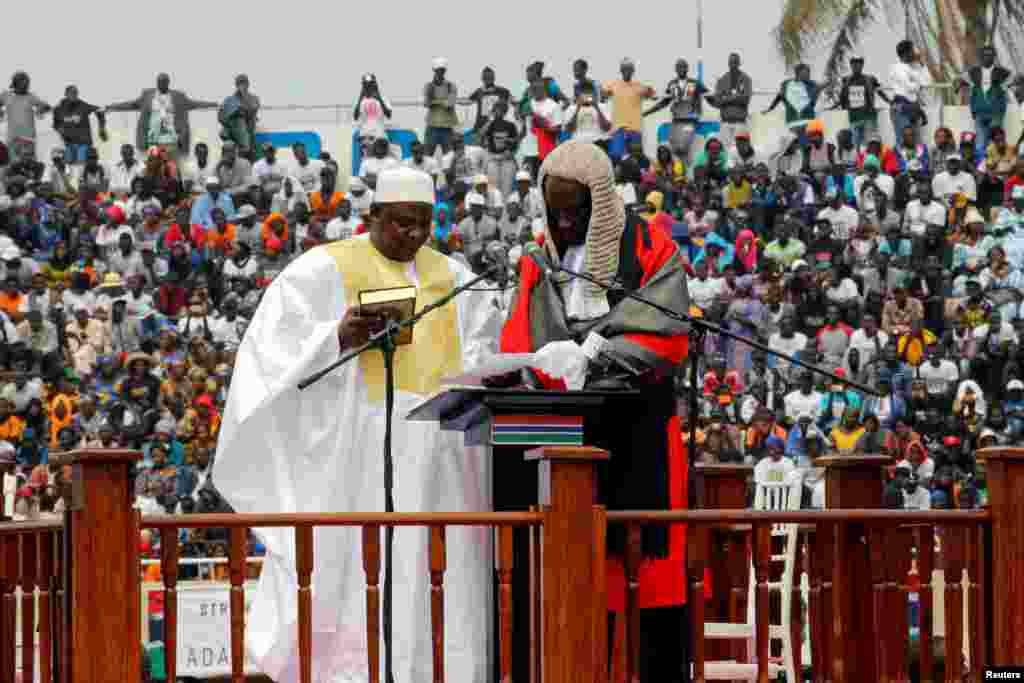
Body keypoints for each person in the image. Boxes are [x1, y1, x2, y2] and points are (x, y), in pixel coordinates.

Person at [215, 167, 500, 682]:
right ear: (373, 215)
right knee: (354, 579)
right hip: (355, 461)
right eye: (401, 222)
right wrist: (336, 337)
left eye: (422, 223)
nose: (413, 234)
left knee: (439, 581)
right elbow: (269, 358)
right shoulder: (320, 270)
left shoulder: (457, 278)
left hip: (440, 465)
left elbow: (484, 352)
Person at [498, 139, 692, 681]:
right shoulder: (538, 259)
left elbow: (670, 336)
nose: (564, 224)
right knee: (565, 574)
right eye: (555, 212)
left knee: (645, 573)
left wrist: (595, 352)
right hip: (559, 433)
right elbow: (519, 339)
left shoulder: (652, 248)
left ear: (601, 204)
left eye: (574, 212)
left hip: (639, 428)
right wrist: (535, 363)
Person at [107, 73, 219, 159]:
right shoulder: (147, 95)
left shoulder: (178, 96)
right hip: (152, 140)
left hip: (172, 141)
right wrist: (110, 107)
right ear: (157, 83)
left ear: (168, 83)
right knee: (152, 169)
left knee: (172, 170)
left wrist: (215, 104)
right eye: (159, 82)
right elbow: (131, 104)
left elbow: (195, 104)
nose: (161, 84)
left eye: (164, 82)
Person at [645, 58, 707, 166]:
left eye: (683, 66)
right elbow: (664, 101)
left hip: (690, 121)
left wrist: (719, 104)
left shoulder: (695, 83)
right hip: (676, 121)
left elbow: (708, 95)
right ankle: (680, 171)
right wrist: (647, 112)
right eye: (679, 67)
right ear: (675, 69)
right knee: (673, 149)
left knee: (683, 147)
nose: (681, 69)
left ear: (687, 68)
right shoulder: (672, 84)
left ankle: (686, 170)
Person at [956, 45, 1012, 150]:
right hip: (979, 113)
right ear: (980, 57)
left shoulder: (1002, 72)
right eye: (984, 55)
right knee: (980, 143)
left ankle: (995, 159)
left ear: (994, 57)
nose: (987, 57)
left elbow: (1012, 79)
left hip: (996, 113)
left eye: (990, 55)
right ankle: (981, 160)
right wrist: (961, 84)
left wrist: (1003, 87)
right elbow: (960, 79)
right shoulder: (973, 71)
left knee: (996, 141)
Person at [602, 58, 656, 159]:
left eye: (629, 69)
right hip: (618, 128)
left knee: (636, 157)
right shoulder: (613, 85)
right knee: (616, 156)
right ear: (621, 70)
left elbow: (652, 95)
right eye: (624, 68)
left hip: (635, 128)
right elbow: (603, 95)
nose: (627, 71)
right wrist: (603, 94)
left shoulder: (639, 86)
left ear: (633, 71)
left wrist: (650, 90)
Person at [833, 56, 891, 148]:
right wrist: (833, 107)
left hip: (869, 117)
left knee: (871, 143)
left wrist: (890, 102)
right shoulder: (846, 80)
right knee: (854, 144)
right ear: (851, 65)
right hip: (853, 118)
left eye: (859, 63)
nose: (856, 66)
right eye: (854, 63)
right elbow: (842, 98)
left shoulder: (870, 79)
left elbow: (880, 91)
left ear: (862, 65)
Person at [0, 72, 51, 162]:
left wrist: (42, 108)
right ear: (15, 84)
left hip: (28, 138)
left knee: (29, 164)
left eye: (26, 83)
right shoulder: (6, 95)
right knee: (13, 164)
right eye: (22, 83)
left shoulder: (31, 97)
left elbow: (46, 106)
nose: (25, 86)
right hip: (13, 138)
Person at [888, 40, 931, 146]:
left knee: (914, 141)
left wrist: (922, 64)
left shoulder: (913, 67)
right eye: (913, 50)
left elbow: (926, 82)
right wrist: (918, 84)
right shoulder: (897, 68)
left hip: (912, 108)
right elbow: (909, 87)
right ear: (907, 52)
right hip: (901, 108)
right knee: (903, 141)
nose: (916, 53)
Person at [52, 85, 107, 165]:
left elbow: (99, 110)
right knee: (68, 165)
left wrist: (101, 128)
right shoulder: (59, 109)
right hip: (69, 144)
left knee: (81, 164)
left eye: (76, 93)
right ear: (66, 94)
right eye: (72, 93)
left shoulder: (82, 105)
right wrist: (60, 130)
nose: (74, 95)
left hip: (84, 143)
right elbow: (55, 124)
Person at [710, 52, 753, 148]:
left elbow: (745, 100)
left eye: (735, 62)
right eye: (731, 62)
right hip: (725, 123)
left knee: (739, 150)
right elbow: (717, 101)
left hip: (740, 123)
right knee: (724, 150)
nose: (733, 64)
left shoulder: (746, 79)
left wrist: (726, 98)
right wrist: (735, 97)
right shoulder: (722, 80)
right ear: (728, 63)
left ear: (739, 63)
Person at [422, 58, 459, 156]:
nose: (440, 72)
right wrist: (441, 100)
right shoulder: (428, 86)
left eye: (442, 70)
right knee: (427, 156)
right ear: (434, 71)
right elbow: (426, 104)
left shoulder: (451, 86)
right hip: (432, 126)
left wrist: (434, 101)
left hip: (447, 127)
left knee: (449, 157)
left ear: (445, 71)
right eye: (438, 70)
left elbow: (449, 104)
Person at [219, 74, 260, 160]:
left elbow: (253, 109)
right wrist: (233, 115)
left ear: (248, 84)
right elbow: (221, 117)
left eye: (244, 83)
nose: (242, 85)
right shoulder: (229, 100)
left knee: (250, 158)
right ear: (236, 85)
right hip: (233, 138)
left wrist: (243, 100)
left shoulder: (254, 98)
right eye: (239, 83)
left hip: (249, 136)